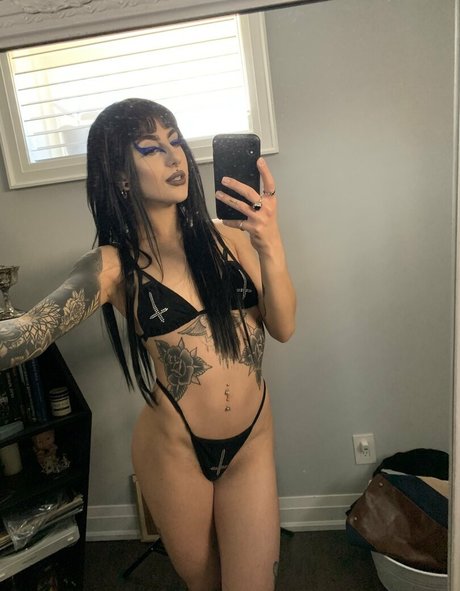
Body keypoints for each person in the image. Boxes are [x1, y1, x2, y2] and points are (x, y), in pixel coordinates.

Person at [0, 98, 296, 591]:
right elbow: (31, 331)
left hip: (252, 440)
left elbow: (283, 327)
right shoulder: (111, 265)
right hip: (175, 449)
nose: (174, 156)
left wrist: (271, 243)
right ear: (120, 174)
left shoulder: (232, 238)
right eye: (151, 148)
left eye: (175, 141)